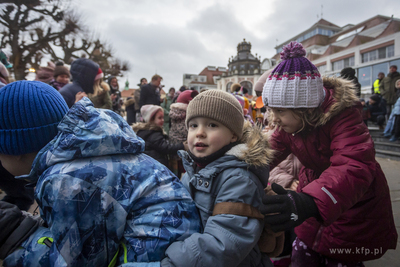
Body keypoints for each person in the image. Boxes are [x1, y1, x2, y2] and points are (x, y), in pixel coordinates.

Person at [0, 81, 201, 266]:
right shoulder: (88, 153)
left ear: (16, 149)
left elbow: (82, 262)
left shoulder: (66, 180)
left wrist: (18, 238)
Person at [261, 41, 397, 266]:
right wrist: (237, 169)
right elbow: (264, 154)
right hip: (313, 197)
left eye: (280, 111)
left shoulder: (344, 118)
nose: (273, 119)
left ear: (304, 107)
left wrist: (310, 202)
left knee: (340, 255)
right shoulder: (289, 126)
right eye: (270, 110)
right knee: (304, 251)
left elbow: (353, 165)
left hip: (354, 205)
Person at [160, 90, 273, 266]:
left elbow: (222, 245)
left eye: (212, 125)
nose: (200, 133)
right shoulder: (192, 170)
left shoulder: (239, 179)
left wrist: (168, 263)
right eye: (193, 125)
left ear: (233, 135)